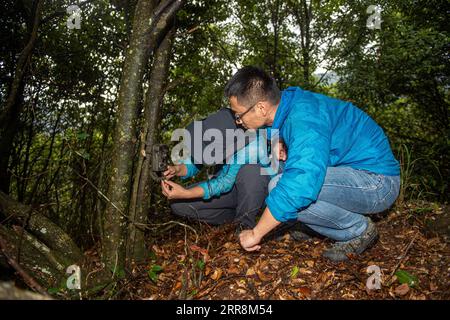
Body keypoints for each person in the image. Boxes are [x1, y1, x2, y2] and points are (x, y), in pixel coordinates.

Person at [226, 66, 401, 262]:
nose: (238, 121)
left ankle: (357, 230)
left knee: (285, 185)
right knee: (276, 169)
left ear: (260, 107)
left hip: (377, 182)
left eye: (239, 115)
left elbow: (301, 182)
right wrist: (278, 139)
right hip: (350, 172)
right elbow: (283, 130)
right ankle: (309, 224)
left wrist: (256, 233)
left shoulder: (304, 118)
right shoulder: (289, 105)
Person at [161, 108, 273, 229]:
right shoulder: (221, 124)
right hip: (231, 191)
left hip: (255, 190)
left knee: (251, 172)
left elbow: (225, 182)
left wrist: (187, 193)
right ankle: (232, 220)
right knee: (178, 205)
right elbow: (198, 160)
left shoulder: (251, 144)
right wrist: (177, 169)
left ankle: (245, 225)